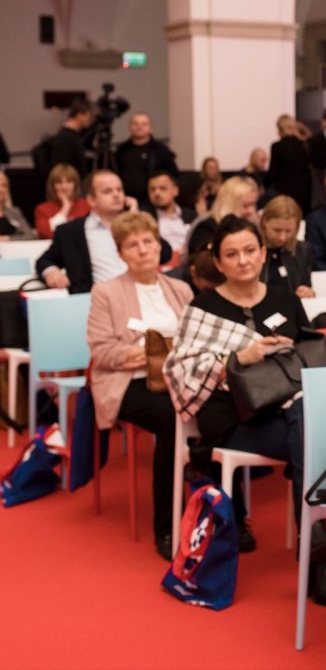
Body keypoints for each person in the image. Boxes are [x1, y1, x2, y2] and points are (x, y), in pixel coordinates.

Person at [163, 215, 326, 607]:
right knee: (313, 438)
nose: (243, 260)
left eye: (250, 250)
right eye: (232, 254)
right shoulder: (202, 307)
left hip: (289, 415)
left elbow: (312, 354)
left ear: (263, 253)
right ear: (217, 261)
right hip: (236, 421)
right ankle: (315, 554)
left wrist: (288, 352)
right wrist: (239, 357)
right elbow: (180, 370)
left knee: (304, 417)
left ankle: (314, 555)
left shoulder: (285, 298)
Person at [86, 212, 193, 561]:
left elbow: (195, 340)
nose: (143, 249)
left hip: (179, 378)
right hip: (126, 382)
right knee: (172, 418)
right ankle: (167, 526)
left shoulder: (180, 288)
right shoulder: (105, 292)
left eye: (148, 241)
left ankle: (225, 515)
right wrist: (149, 351)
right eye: (133, 245)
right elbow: (101, 351)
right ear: (120, 253)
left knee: (221, 408)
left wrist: (168, 350)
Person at [36, 170, 171, 294]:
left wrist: (136, 220)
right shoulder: (70, 232)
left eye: (119, 189)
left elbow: (165, 254)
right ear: (91, 200)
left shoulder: (136, 224)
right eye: (108, 191)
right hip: (98, 302)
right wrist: (51, 272)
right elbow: (45, 261)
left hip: (143, 295)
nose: (117, 195)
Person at [183, 175, 260, 262]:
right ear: (229, 204)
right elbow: (203, 267)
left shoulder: (251, 226)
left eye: (254, 204)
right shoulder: (206, 228)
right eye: (246, 206)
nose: (251, 211)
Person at [113, 112, 178, 210]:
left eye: (144, 124)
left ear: (150, 127)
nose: (139, 127)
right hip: (125, 200)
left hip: (153, 202)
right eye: (135, 124)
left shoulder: (160, 150)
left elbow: (173, 174)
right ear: (129, 127)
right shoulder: (121, 150)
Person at [259, 195, 314, 298]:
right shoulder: (251, 249)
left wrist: (308, 293)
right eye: (276, 230)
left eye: (288, 231)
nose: (282, 238)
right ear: (263, 222)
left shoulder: (303, 250)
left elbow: (306, 285)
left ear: (297, 227)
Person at [265, 115, 312, 216]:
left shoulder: (277, 146)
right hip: (305, 192)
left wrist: (263, 184)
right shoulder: (304, 145)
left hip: (285, 191)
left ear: (280, 129)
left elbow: (273, 172)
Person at [34, 164, 90, 239]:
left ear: (75, 185)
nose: (64, 187)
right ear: (53, 186)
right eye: (59, 183)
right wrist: (65, 208)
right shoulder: (42, 209)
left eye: (69, 182)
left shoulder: (87, 205)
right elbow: (46, 233)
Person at [147, 170, 196, 256]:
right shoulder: (146, 218)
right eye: (152, 189)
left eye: (163, 188)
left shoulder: (191, 215)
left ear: (175, 190)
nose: (157, 193)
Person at [46, 98, 91, 179]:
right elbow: (60, 168)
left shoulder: (72, 136)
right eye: (88, 114)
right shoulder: (66, 138)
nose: (90, 119)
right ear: (80, 115)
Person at [0, 170, 35, 241]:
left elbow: (30, 235)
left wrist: (7, 238)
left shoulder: (14, 212)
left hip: (13, 250)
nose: (1, 189)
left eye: (4, 186)